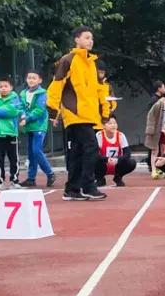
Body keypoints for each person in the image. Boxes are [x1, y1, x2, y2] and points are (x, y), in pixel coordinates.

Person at [46, 26, 106, 201]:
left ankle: (72, 189)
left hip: (89, 115)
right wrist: (53, 111)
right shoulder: (68, 60)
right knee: (91, 147)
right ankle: (88, 185)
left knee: (78, 152)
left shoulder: (92, 63)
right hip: (75, 113)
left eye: (91, 38)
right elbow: (56, 85)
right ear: (77, 40)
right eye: (86, 37)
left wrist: (104, 111)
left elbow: (98, 89)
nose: (90, 41)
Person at [0, 78, 24, 187]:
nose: (3, 88)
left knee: (14, 159)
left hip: (12, 133)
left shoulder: (15, 97)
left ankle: (14, 180)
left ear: (11, 88)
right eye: (1, 87)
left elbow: (12, 111)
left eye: (6, 86)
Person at [20, 69, 54, 188]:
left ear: (39, 80)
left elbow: (39, 110)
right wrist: (22, 116)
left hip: (39, 125)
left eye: (34, 78)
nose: (31, 80)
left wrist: (27, 119)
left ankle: (50, 173)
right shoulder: (23, 93)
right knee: (31, 153)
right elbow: (21, 107)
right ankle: (31, 178)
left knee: (36, 150)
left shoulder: (42, 93)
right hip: (28, 126)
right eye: (29, 78)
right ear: (26, 79)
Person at [95, 115, 136, 188]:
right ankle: (100, 178)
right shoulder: (99, 135)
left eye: (114, 123)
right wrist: (106, 159)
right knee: (90, 160)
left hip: (117, 163)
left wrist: (118, 159)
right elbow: (94, 154)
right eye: (110, 123)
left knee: (132, 163)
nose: (113, 125)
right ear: (103, 126)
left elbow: (127, 153)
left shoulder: (121, 135)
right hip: (103, 164)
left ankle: (118, 177)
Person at [144, 81, 165, 177]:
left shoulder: (162, 99)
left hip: (162, 128)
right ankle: (153, 168)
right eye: (163, 87)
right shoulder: (155, 100)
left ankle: (160, 168)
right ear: (159, 88)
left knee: (162, 148)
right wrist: (151, 127)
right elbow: (151, 114)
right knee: (154, 149)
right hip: (156, 128)